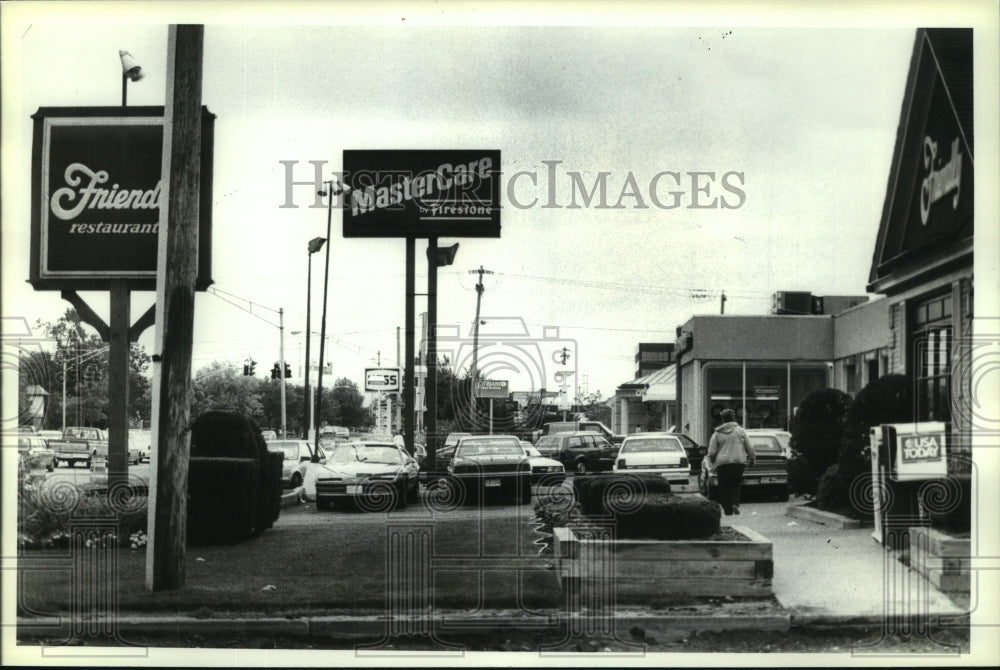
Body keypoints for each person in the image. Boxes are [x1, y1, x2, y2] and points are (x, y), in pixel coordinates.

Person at [707, 408, 755, 515]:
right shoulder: (740, 431)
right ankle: (735, 503)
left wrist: (711, 460)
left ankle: (727, 509)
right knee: (736, 484)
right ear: (733, 418)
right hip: (738, 462)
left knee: (724, 487)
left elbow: (712, 451)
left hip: (722, 463)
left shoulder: (717, 433)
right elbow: (750, 447)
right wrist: (752, 459)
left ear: (723, 419)